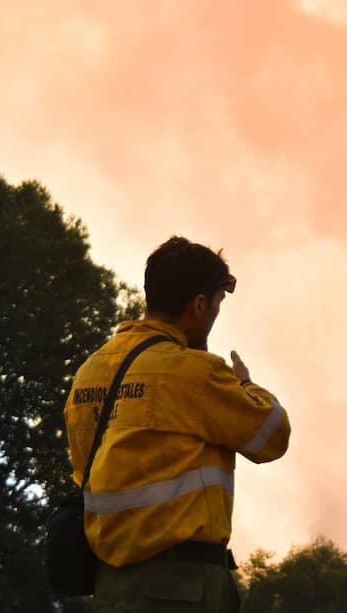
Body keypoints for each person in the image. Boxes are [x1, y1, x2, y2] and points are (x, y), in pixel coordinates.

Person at [63, 236, 291, 612]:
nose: (215, 315)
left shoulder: (89, 373)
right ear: (199, 305)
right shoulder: (196, 374)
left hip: (110, 589)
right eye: (217, 304)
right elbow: (273, 435)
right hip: (181, 589)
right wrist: (244, 384)